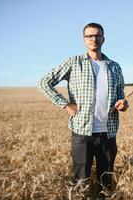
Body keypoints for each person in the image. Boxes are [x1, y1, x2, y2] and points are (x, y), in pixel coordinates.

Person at [38, 22, 128, 199]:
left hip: (108, 133)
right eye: (89, 36)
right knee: (81, 182)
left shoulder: (114, 66)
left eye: (97, 35)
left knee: (106, 181)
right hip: (82, 132)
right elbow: (44, 83)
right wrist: (64, 104)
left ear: (104, 38)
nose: (94, 39)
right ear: (84, 39)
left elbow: (121, 95)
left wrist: (123, 104)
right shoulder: (74, 62)